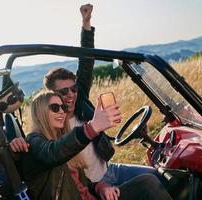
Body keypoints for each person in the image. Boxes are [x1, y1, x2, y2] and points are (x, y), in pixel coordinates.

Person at [11, 3, 166, 194]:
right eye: (62, 93)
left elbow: (86, 62)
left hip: (108, 171)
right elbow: (47, 151)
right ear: (50, 97)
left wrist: (86, 24)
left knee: (162, 177)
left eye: (73, 89)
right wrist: (16, 146)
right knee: (148, 186)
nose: (70, 95)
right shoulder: (49, 132)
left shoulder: (79, 101)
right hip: (90, 187)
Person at [14, 91, 171, 200]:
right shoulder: (34, 141)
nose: (62, 111)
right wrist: (93, 127)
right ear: (40, 112)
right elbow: (52, 154)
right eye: (55, 107)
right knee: (148, 185)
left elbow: (82, 184)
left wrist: (100, 188)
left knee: (147, 181)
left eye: (63, 107)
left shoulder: (60, 140)